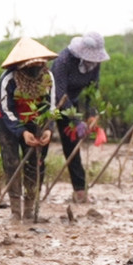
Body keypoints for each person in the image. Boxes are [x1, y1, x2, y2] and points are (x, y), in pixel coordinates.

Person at [0, 36, 59, 221]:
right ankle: (15, 211)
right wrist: (21, 131)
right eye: (31, 65)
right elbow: (6, 109)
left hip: (37, 121)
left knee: (35, 163)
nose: (35, 68)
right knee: (12, 163)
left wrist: (48, 129)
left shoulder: (48, 77)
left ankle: (30, 209)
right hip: (9, 122)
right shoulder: (8, 79)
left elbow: (51, 106)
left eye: (39, 64)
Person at [50, 31, 110, 203]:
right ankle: (34, 193)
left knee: (72, 147)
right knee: (42, 146)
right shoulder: (64, 61)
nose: (94, 62)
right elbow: (59, 93)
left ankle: (80, 191)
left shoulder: (95, 64)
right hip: (52, 103)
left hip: (72, 104)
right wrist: (76, 120)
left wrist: (92, 114)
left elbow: (93, 90)